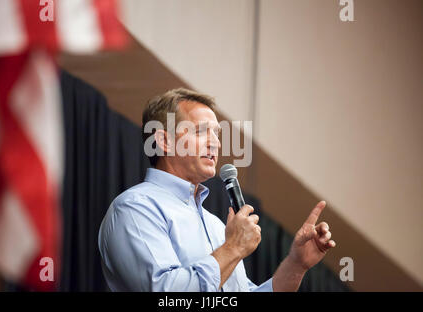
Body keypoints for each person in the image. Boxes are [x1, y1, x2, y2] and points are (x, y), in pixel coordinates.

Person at [98, 88, 336, 291]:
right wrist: (233, 248)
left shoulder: (216, 226)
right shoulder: (135, 208)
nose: (216, 142)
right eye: (202, 131)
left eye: (217, 133)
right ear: (164, 141)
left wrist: (296, 264)